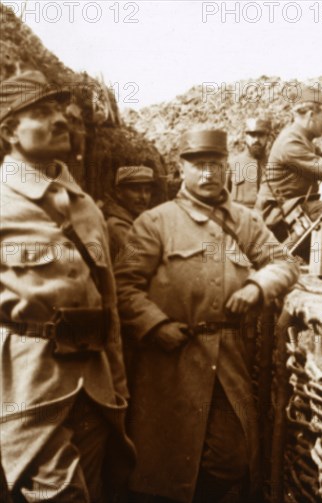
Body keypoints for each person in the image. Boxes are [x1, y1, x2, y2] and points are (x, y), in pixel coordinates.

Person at [115, 128, 299, 503]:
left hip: (228, 354)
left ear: (226, 167)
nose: (208, 174)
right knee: (164, 460)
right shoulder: (154, 223)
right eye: (198, 165)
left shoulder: (244, 221)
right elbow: (122, 287)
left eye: (215, 165)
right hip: (171, 356)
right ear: (181, 169)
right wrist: (156, 325)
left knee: (231, 457)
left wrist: (257, 287)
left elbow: (284, 262)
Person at [0, 70, 134, 502]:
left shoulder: (85, 205)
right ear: (9, 131)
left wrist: (118, 384)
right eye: (40, 112)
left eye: (60, 110)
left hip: (93, 388)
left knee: (92, 489)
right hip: (28, 389)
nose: (60, 120)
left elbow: (108, 300)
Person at [255, 83, 322, 244]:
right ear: (311, 115)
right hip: (278, 219)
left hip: (295, 211)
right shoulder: (290, 142)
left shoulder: (303, 139)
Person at [102, 165, 155, 261]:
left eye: (147, 190)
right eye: (135, 190)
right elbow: (140, 262)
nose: (143, 196)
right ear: (119, 193)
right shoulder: (117, 226)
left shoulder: (136, 219)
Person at [226, 118, 270, 209]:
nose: (256, 140)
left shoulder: (275, 164)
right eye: (252, 135)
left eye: (261, 135)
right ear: (245, 137)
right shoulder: (233, 164)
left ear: (268, 137)